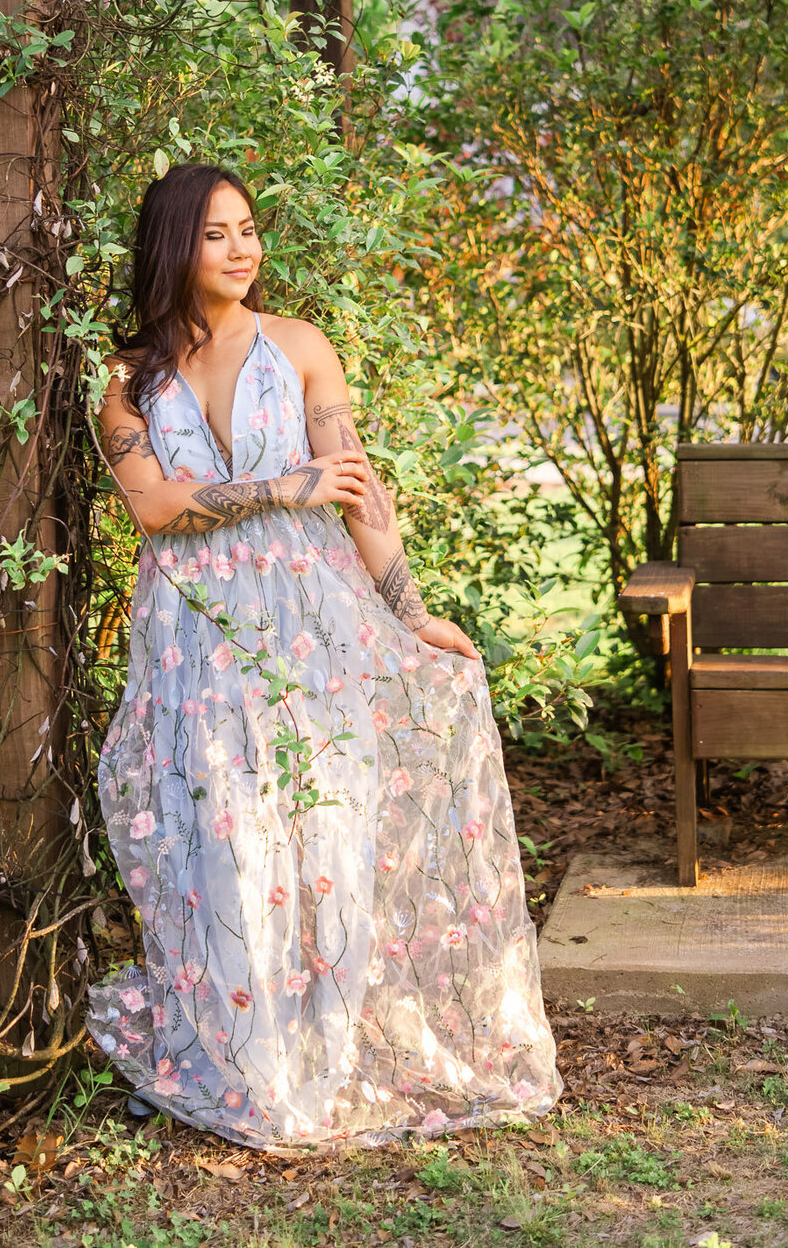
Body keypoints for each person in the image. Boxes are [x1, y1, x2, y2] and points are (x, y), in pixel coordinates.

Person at [88, 161, 560, 1148]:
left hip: (312, 627)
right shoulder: (128, 384)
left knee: (325, 838)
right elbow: (157, 508)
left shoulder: (301, 348)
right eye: (218, 233)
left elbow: (357, 492)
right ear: (176, 244)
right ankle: (251, 1066)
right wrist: (284, 483)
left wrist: (411, 610)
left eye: (249, 229)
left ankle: (322, 1053)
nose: (243, 247)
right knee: (222, 844)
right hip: (196, 643)